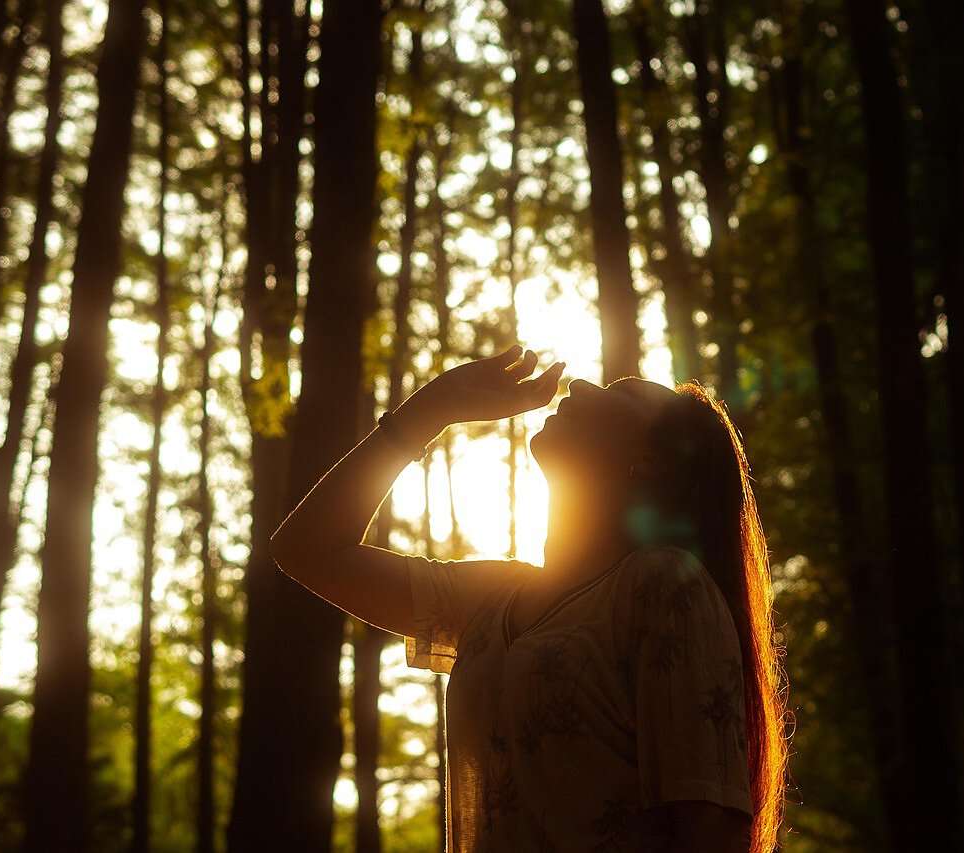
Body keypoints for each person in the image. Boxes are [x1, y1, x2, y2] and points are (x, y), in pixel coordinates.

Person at [270, 344, 789, 852]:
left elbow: (706, 828)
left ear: (648, 461)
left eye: (620, 393)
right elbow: (305, 549)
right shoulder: (492, 602)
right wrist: (435, 407)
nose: (584, 384)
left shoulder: (664, 586)